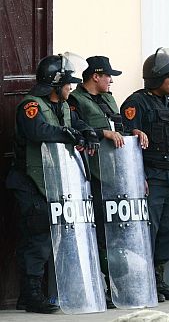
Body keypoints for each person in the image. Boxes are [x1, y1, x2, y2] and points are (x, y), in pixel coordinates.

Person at [6, 54, 98, 313]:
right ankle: (31, 294)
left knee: (50, 234)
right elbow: (38, 131)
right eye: (68, 83)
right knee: (38, 236)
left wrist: (89, 132)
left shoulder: (64, 106)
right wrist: (67, 135)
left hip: (53, 181)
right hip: (29, 181)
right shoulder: (30, 106)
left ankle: (37, 293)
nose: (71, 87)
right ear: (55, 84)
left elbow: (76, 124)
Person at [67, 55, 147, 308]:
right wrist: (103, 133)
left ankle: (119, 287)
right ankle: (100, 286)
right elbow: (75, 127)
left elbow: (119, 127)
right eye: (108, 75)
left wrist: (132, 132)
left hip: (117, 175)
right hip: (93, 177)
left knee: (118, 236)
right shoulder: (75, 100)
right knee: (100, 234)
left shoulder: (109, 98)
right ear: (95, 76)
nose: (111, 80)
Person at [120, 48, 169, 302]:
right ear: (156, 77)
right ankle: (143, 280)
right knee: (149, 229)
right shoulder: (136, 103)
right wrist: (139, 178)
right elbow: (127, 140)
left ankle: (158, 278)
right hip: (151, 177)